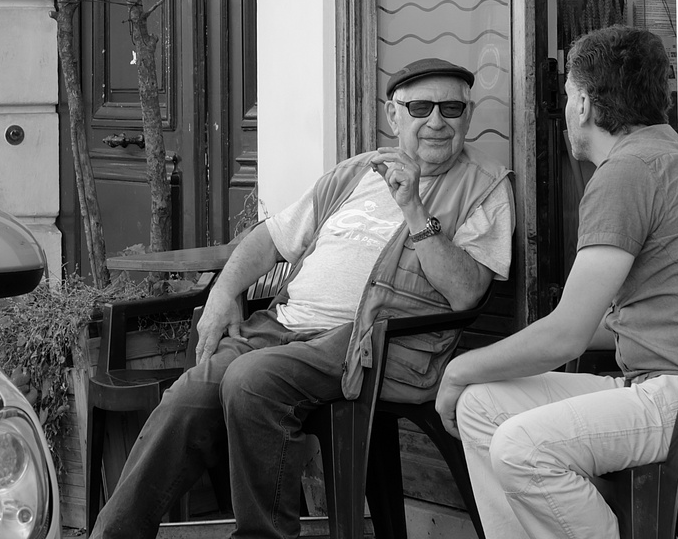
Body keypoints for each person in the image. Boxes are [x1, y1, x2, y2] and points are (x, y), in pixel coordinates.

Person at [92, 57, 514, 539]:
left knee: (251, 379)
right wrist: (224, 294)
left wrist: (415, 210)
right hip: (286, 329)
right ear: (394, 116)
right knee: (190, 396)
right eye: (420, 107)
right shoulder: (357, 172)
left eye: (451, 107)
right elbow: (270, 238)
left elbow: (467, 293)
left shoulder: (485, 185)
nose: (437, 120)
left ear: (469, 115)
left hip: (372, 345)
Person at [436, 26, 678, 539]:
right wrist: (478, 376)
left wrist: (457, 369)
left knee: (520, 445)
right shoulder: (661, 153)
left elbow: (568, 336)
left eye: (565, 97)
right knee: (482, 407)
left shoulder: (628, 171)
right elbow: (613, 324)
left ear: (581, 104)